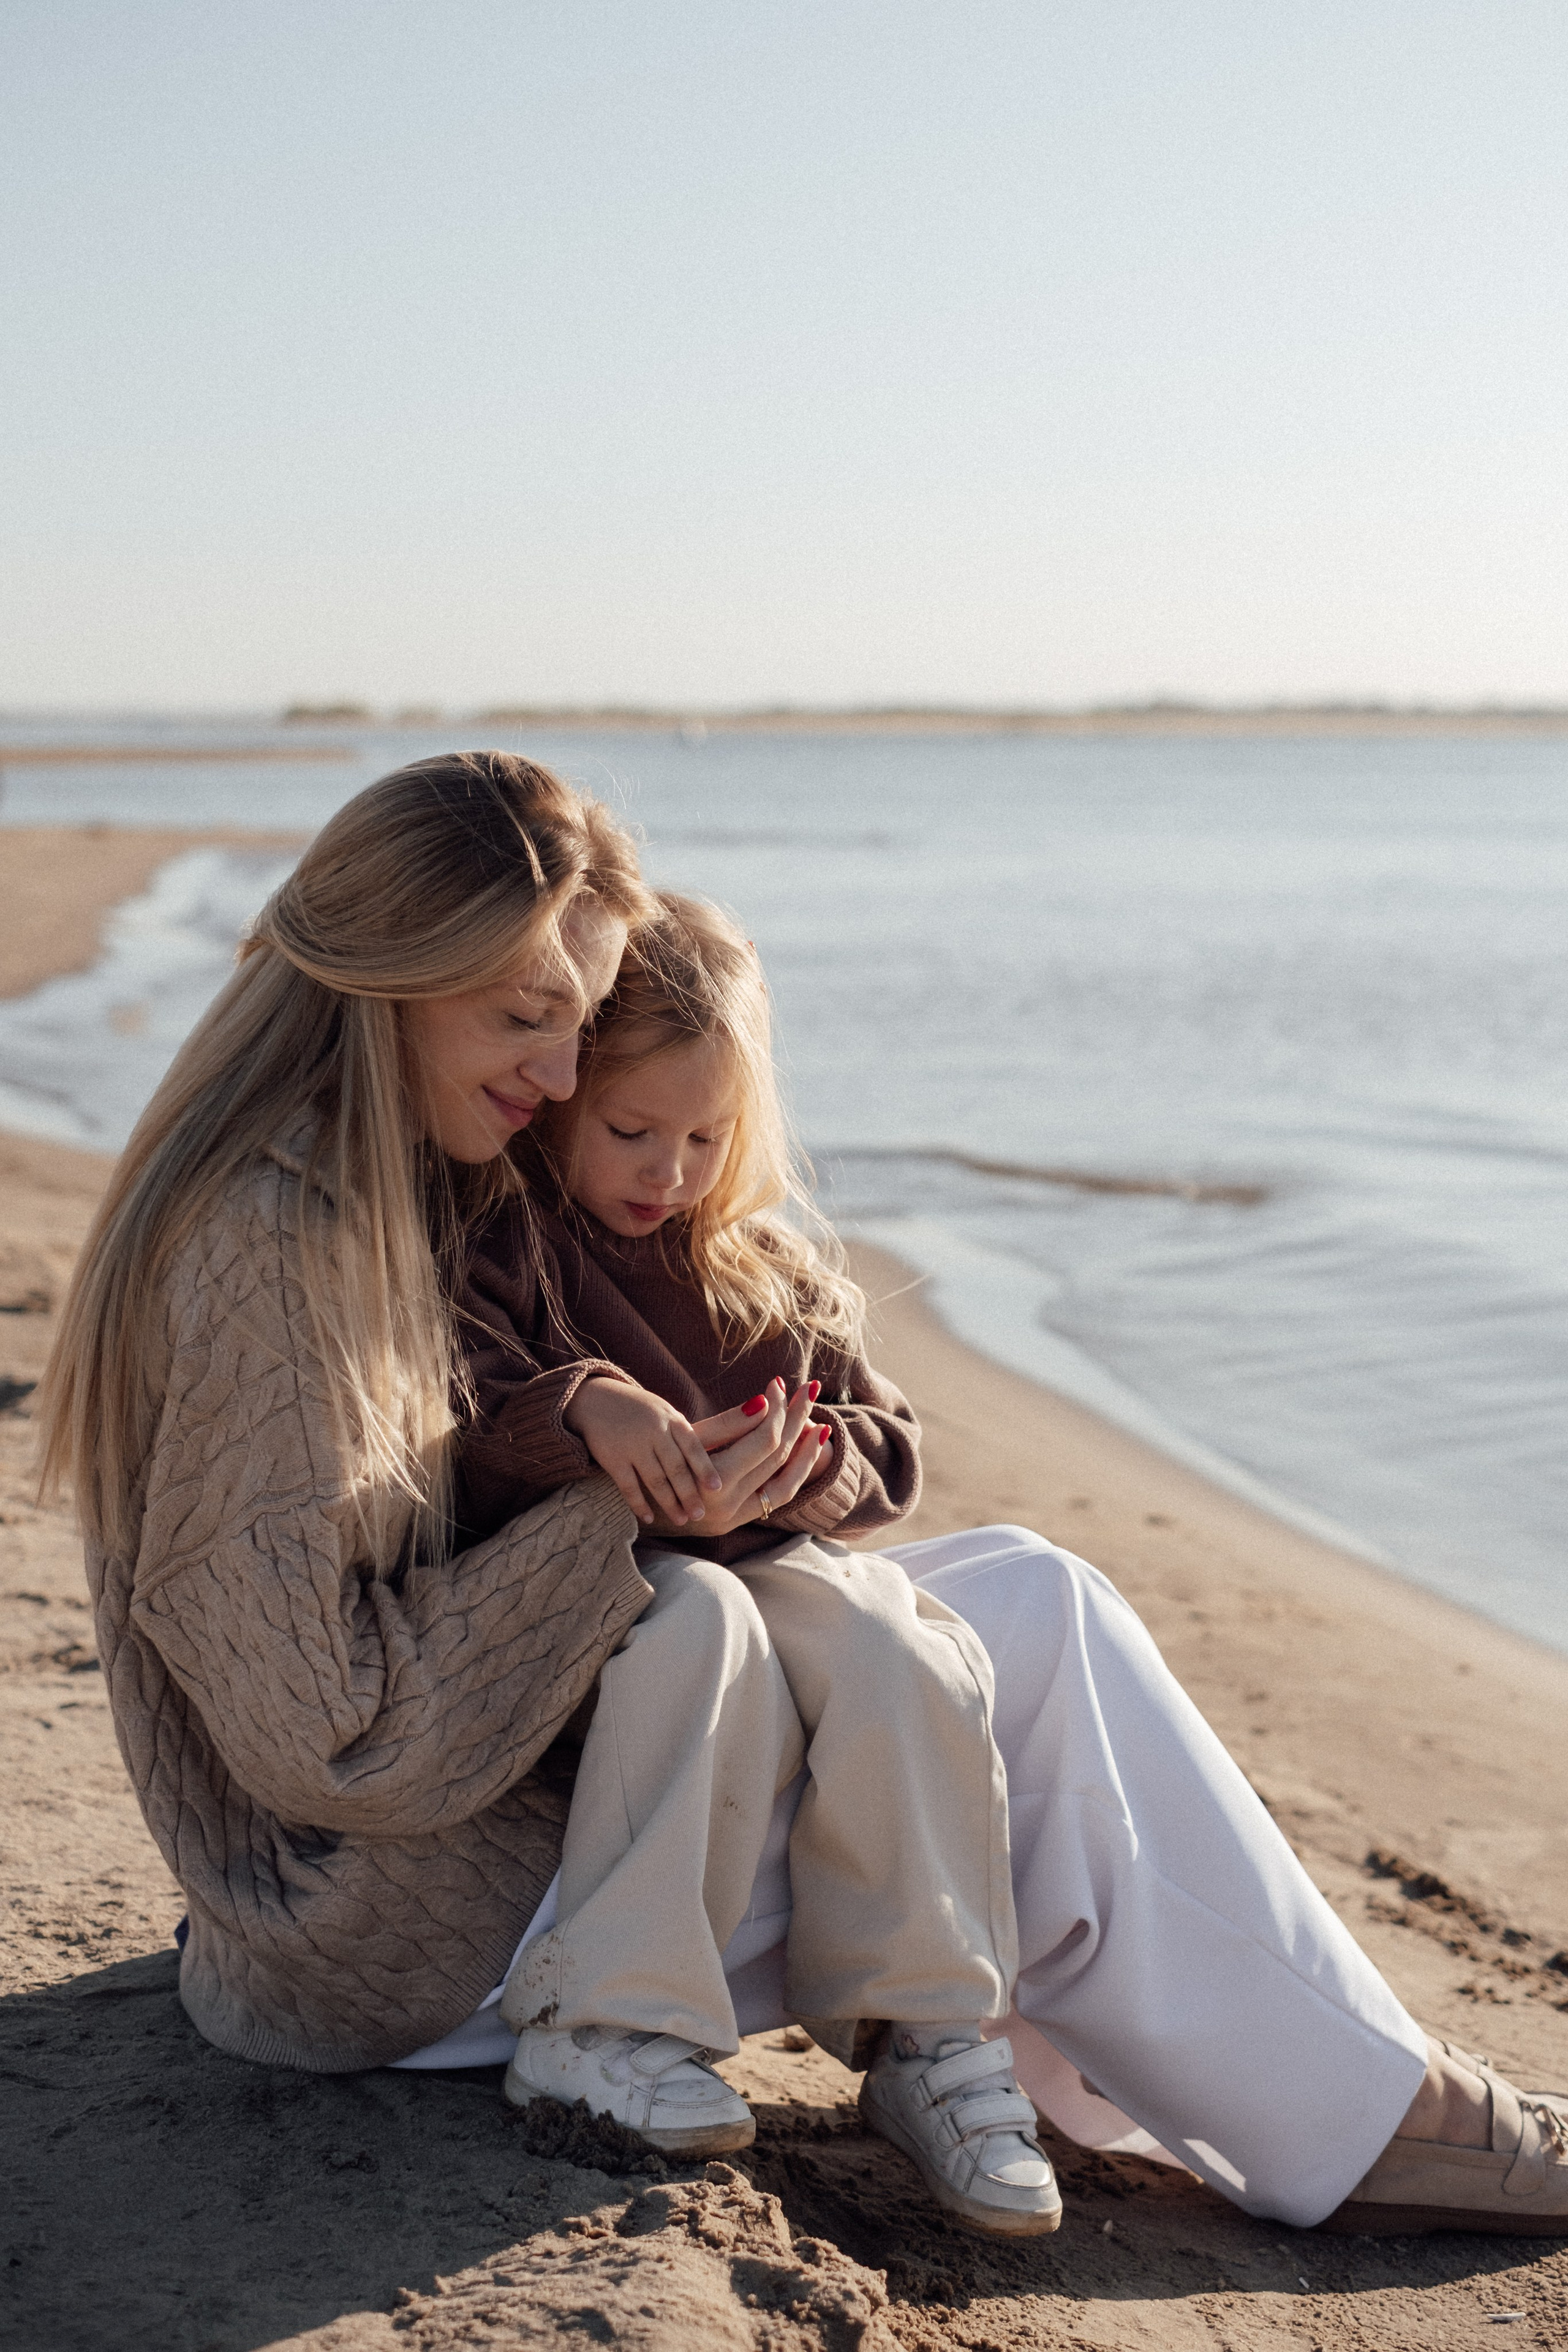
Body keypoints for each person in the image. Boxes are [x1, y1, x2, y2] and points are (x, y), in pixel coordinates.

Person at [37, 750, 1568, 2243]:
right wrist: (637, 1521)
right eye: (525, 1019)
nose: (565, 1080)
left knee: (1025, 1602)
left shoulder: (399, 1180)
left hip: (472, 1856)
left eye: (578, 1031)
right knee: (1002, 1724)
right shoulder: (271, 1247)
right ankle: (1362, 2117)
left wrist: (674, 1504)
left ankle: (1251, 2078)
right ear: (384, 971)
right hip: (397, 1942)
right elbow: (333, 1740)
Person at [450, 891, 1057, 2232]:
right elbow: (458, 1421)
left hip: (766, 1543)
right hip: (594, 1573)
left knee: (901, 1639)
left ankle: (927, 2035)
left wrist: (811, 1461)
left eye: (705, 1136)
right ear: (558, 1097)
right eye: (632, 1130)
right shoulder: (506, 1241)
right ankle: (605, 2022)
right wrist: (588, 1411)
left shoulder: (754, 1263)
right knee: (702, 1621)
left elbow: (889, 1445)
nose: (668, 1168)